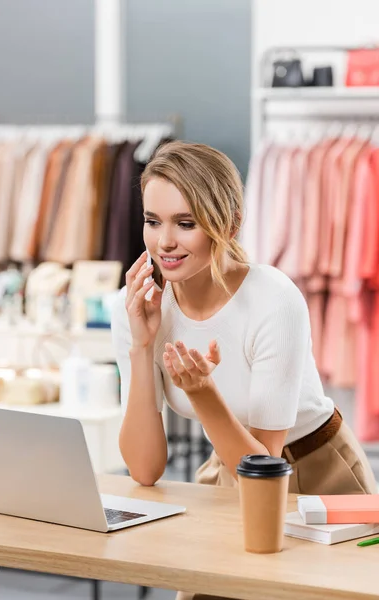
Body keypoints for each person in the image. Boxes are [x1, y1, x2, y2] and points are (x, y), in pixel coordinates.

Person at [111, 140, 377, 497]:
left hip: (319, 469)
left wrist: (202, 392)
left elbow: (265, 465)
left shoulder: (274, 300)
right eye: (152, 221)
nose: (164, 242)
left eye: (185, 223)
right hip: (230, 464)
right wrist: (142, 346)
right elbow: (144, 470)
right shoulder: (134, 308)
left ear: (231, 224)